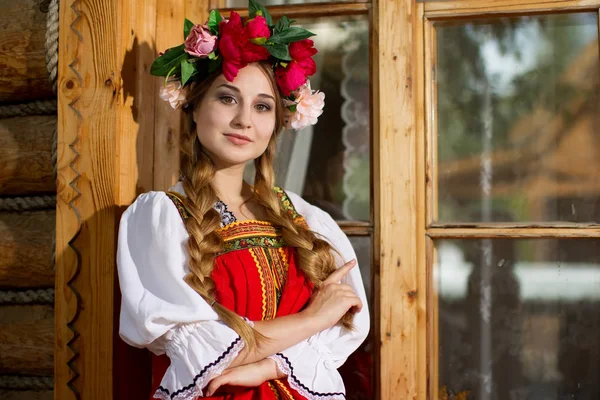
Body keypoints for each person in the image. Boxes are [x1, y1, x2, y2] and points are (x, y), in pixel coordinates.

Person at [117, 2, 370, 399]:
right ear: (194, 106)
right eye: (227, 99)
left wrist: (271, 366)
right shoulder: (159, 217)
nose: (244, 121)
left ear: (276, 124)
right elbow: (206, 350)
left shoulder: (305, 218)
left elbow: (347, 330)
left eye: (262, 106)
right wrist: (314, 317)